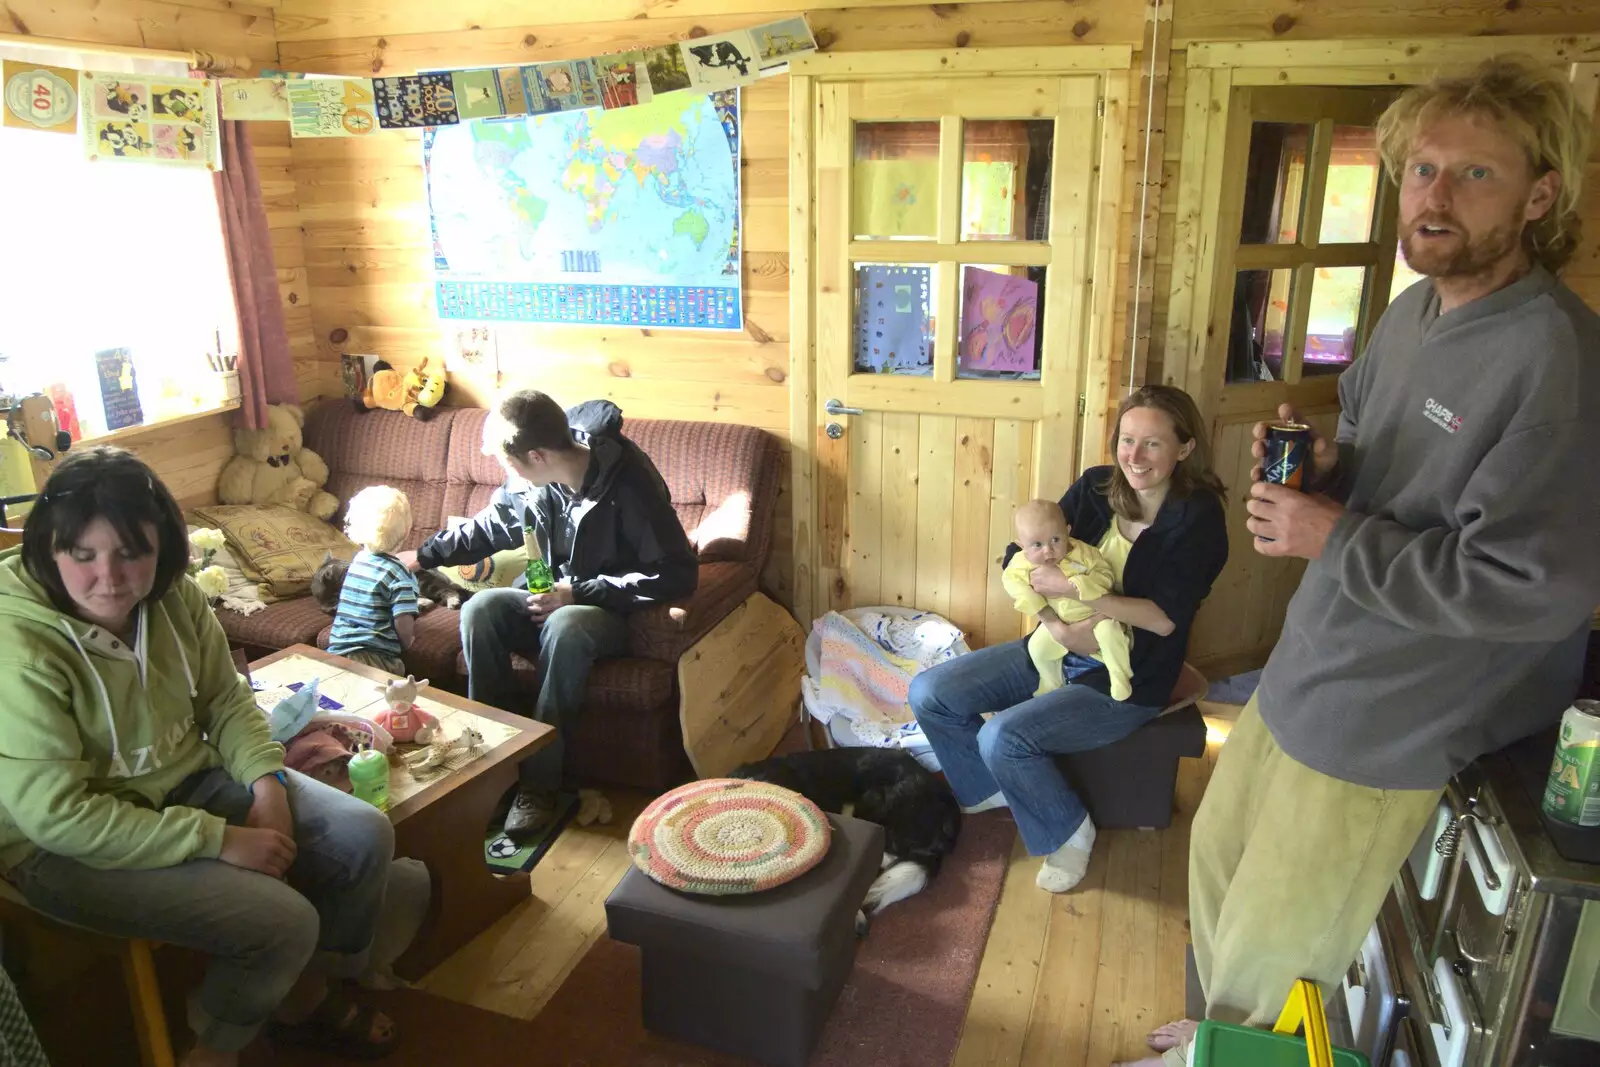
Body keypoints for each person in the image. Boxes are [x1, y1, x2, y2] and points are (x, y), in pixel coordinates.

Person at [1130, 56, 1600, 1067]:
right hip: (1319, 659)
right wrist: (1326, 469)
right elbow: (1382, 452)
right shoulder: (1413, 309)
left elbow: (1532, 589)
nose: (1432, 195)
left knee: (1277, 950)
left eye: (1471, 174)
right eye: (1420, 168)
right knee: (1213, 862)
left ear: (1539, 195)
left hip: (1399, 710)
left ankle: (1231, 1052)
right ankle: (1207, 1041)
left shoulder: (1555, 359)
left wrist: (1325, 533)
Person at [0, 447, 398, 1066]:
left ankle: (303, 994)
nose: (109, 577)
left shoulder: (174, 597)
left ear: (163, 550)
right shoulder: (17, 643)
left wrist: (267, 783)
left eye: (132, 553)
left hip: (186, 780)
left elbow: (225, 701)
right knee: (283, 922)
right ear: (49, 548)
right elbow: (57, 817)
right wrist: (217, 840)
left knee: (364, 835)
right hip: (58, 846)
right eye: (82, 555)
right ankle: (214, 1048)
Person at [910, 385, 1228, 894]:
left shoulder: (1199, 519)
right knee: (930, 693)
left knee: (1003, 736)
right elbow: (1021, 549)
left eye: (1153, 444)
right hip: (1056, 642)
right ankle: (990, 789)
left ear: (1185, 449)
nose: (1134, 456)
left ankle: (1070, 830)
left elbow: (1164, 622)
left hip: (1131, 672)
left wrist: (1075, 593)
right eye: (1127, 440)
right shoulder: (1098, 486)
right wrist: (1057, 625)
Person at [401, 391, 697, 841]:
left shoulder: (630, 484)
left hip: (604, 611)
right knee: (481, 608)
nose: (507, 473)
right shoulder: (530, 482)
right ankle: (493, 766)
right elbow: (489, 526)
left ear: (536, 455)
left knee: (566, 622)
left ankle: (538, 786)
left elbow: (676, 574)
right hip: (545, 594)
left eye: (510, 463)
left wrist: (578, 591)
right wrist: (423, 556)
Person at [1002, 498, 1133, 701]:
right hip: (1061, 621)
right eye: (1037, 545)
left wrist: (1077, 585)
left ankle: (1120, 678)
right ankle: (1051, 681)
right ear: (1022, 546)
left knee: (1111, 635)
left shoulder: (1085, 553)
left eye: (1056, 539)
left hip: (1098, 615)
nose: (1048, 550)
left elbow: (1105, 575)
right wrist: (1035, 600)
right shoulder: (1022, 564)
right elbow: (1010, 580)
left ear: (1068, 532)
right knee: (1037, 648)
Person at [326, 485, 420, 676]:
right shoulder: (400, 574)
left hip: (338, 652)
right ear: (407, 530)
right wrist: (407, 640)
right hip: (377, 659)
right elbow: (403, 619)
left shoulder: (358, 561)